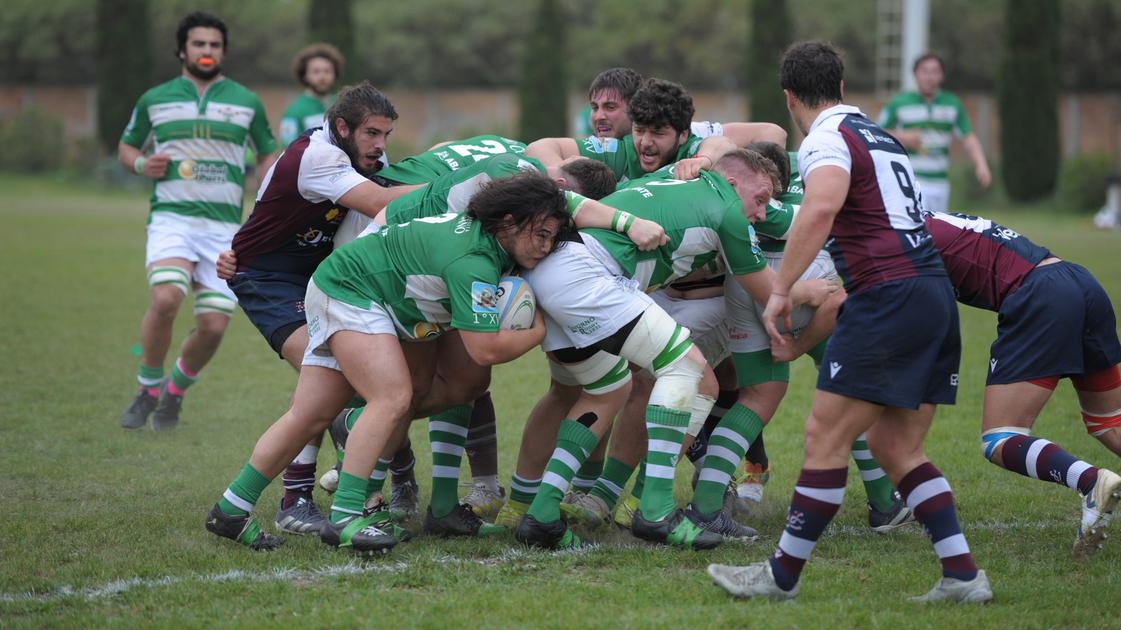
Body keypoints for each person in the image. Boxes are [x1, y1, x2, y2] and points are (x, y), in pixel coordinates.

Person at [707, 41, 990, 603]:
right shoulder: (878, 134)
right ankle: (962, 575)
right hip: (932, 291)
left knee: (823, 436)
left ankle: (780, 576)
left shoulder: (826, 139)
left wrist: (780, 287)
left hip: (887, 295)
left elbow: (821, 204)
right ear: (840, 85)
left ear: (789, 96)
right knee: (896, 446)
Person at [205, 173, 577, 553]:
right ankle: (347, 515)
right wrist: (537, 330)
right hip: (351, 291)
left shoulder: (483, 241)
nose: (546, 247)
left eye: (552, 237)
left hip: (343, 282)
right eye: (541, 235)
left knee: (311, 414)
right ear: (509, 222)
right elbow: (484, 351)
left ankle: (232, 508)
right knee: (392, 397)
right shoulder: (474, 261)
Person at [512, 149, 834, 550]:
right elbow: (771, 293)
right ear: (733, 183)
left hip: (553, 272)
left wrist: (705, 157)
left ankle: (542, 514)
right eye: (761, 197)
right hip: (588, 275)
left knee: (609, 391)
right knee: (689, 372)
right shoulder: (725, 208)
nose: (764, 212)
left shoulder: (675, 178)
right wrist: (813, 290)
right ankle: (655, 511)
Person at [219, 82, 421, 535]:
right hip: (266, 278)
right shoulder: (318, 156)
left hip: (318, 279)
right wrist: (463, 187)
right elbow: (381, 203)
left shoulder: (364, 157)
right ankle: (298, 498)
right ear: (342, 127)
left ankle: (377, 481)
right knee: (328, 374)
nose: (380, 146)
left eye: (386, 134)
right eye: (372, 133)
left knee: (348, 383)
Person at [923, 210, 1121, 559]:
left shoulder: (897, 233)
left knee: (999, 438)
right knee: (1109, 422)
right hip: (1079, 280)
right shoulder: (927, 217)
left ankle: (1090, 481)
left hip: (1042, 296)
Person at [118, 11, 278, 431]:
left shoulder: (246, 102)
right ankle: (148, 388)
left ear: (222, 51)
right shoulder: (156, 99)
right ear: (182, 49)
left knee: (213, 326)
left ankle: (174, 392)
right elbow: (127, 147)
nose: (207, 51)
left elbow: (267, 155)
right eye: (199, 44)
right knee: (166, 299)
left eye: (214, 45)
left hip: (225, 229)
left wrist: (267, 196)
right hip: (172, 219)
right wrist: (141, 165)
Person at [527, 78, 786, 185]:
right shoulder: (621, 147)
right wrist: (562, 175)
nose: (646, 143)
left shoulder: (693, 145)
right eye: (640, 130)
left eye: (658, 133)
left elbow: (722, 144)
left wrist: (703, 161)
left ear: (683, 134)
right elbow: (540, 146)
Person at [878, 51, 991, 213]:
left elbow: (968, 137)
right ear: (915, 74)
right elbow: (876, 132)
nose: (930, 77)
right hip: (911, 180)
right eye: (925, 71)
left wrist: (981, 164)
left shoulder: (952, 103)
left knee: (937, 234)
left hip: (941, 183)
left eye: (935, 72)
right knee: (917, 231)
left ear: (942, 76)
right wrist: (903, 137)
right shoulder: (898, 102)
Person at [278, 43, 344, 147]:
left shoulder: (344, 105)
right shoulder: (293, 111)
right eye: (316, 71)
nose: (322, 76)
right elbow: (288, 149)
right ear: (304, 75)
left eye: (327, 71)